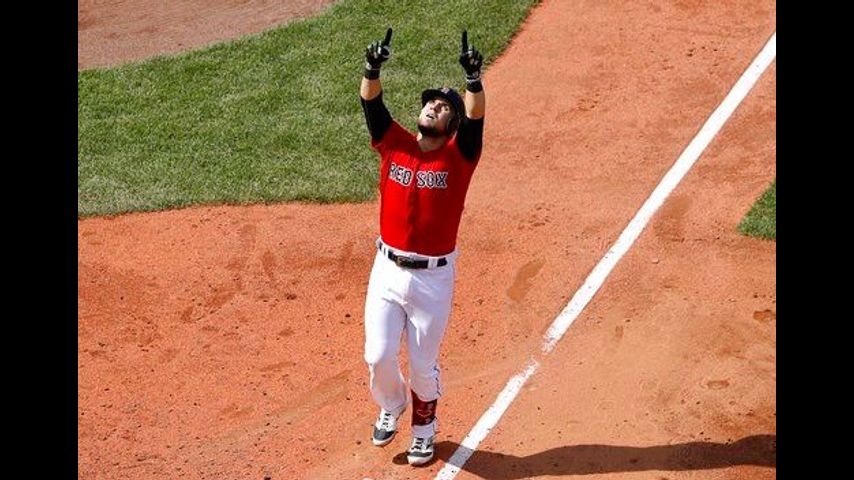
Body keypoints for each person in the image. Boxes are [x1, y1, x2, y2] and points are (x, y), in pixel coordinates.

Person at [359, 26, 485, 466]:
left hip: (433, 279)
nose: (434, 106)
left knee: (422, 364)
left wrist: (473, 81)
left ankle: (424, 430)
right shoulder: (394, 144)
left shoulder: (459, 158)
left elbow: (476, 121)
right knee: (377, 355)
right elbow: (371, 105)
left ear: (452, 124)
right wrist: (371, 68)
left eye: (444, 106)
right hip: (387, 270)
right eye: (431, 102)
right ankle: (392, 403)